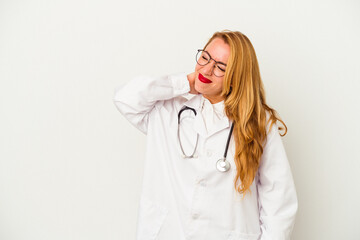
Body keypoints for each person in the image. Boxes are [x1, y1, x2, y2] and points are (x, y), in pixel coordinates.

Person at [113, 30, 298, 240]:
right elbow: (124, 98)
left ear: (235, 77)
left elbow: (279, 200)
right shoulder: (167, 111)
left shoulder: (259, 124)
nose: (207, 70)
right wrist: (183, 83)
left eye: (220, 67)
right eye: (205, 58)